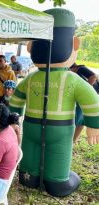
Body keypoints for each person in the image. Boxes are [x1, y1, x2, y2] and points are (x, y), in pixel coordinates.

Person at [10, 8, 99, 197]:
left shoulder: (30, 78)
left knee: (30, 153)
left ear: (30, 47)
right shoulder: (72, 79)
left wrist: (13, 119)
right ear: (75, 44)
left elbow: (16, 99)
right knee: (58, 157)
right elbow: (93, 101)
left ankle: (29, 177)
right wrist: (93, 125)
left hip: (31, 125)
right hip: (60, 129)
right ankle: (56, 182)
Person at [70, 63, 98, 142]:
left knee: (78, 119)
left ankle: (73, 140)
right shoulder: (70, 71)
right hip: (86, 96)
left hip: (89, 95)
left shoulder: (80, 68)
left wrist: (86, 89)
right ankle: (73, 140)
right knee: (80, 119)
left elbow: (93, 76)